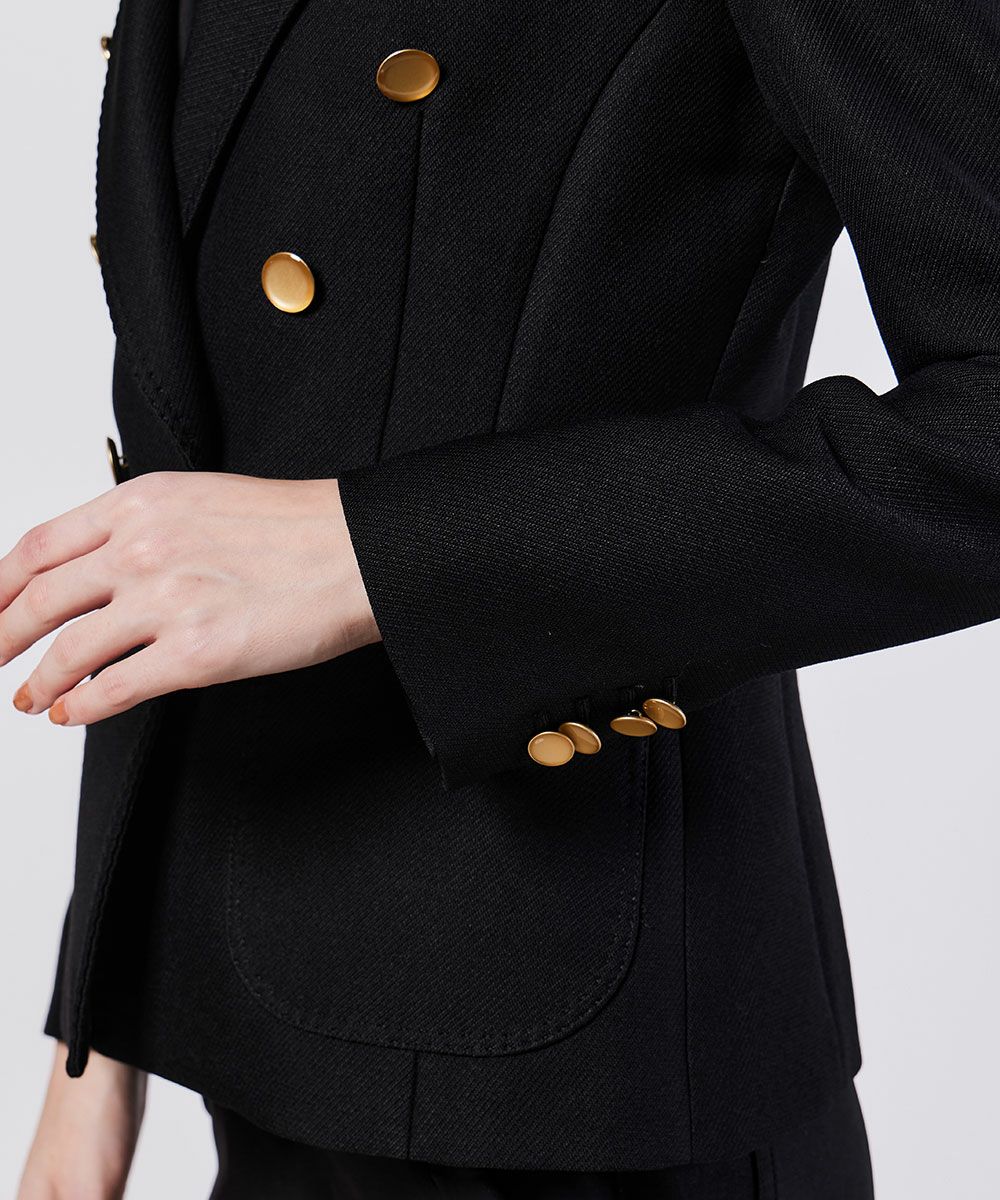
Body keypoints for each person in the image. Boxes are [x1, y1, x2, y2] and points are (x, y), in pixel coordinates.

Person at [11, 0, 1000, 1194]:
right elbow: (204, 444)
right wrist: (97, 1021)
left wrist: (376, 551)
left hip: (580, 1066)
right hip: (250, 1002)